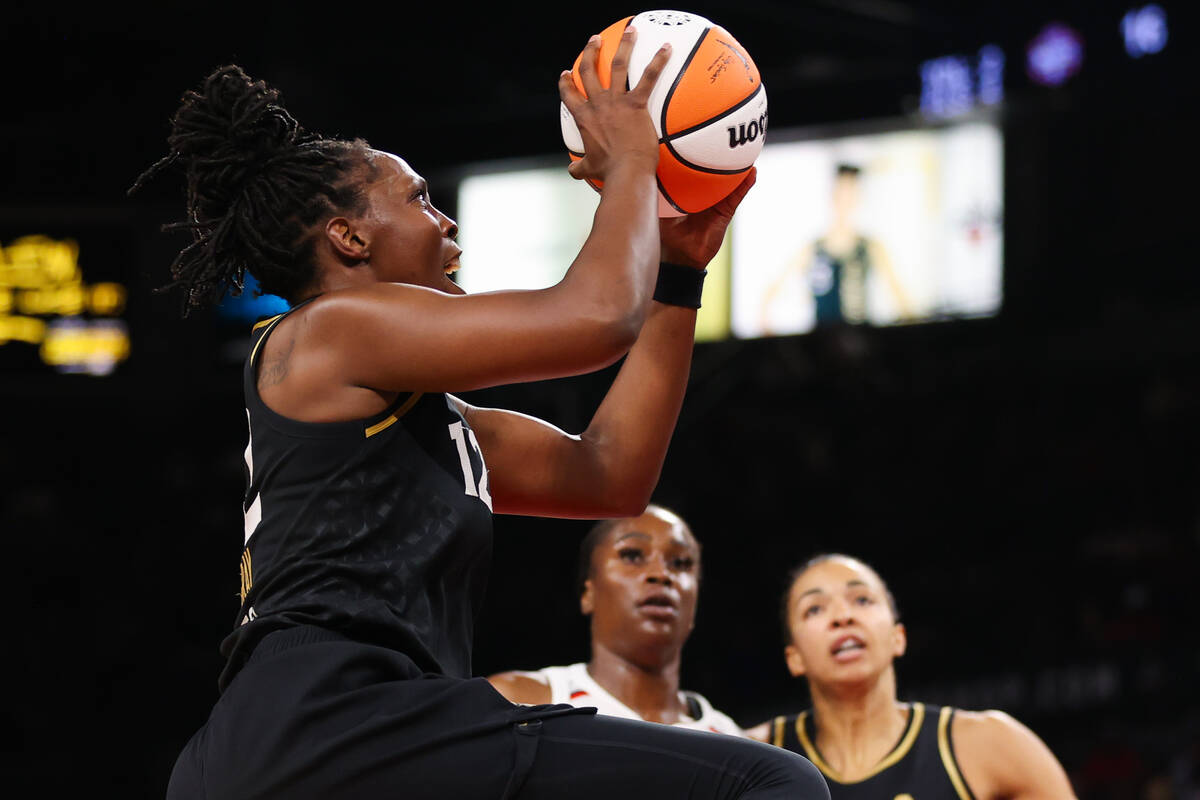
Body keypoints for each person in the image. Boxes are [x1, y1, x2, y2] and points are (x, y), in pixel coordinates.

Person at [132, 30, 828, 800]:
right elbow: (595, 317)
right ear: (349, 236)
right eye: (421, 200)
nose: (447, 224)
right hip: (333, 719)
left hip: (319, 746)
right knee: (767, 784)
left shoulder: (427, 419)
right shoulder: (329, 331)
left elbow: (610, 473)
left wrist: (681, 274)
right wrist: (634, 156)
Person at [747, 553, 1077, 799]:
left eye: (862, 599)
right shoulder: (751, 756)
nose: (842, 616)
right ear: (794, 658)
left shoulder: (990, 743)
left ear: (897, 637)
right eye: (815, 609)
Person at [488, 505, 743, 735]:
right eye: (632, 555)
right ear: (589, 593)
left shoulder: (733, 740)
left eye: (680, 562)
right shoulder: (519, 701)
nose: (661, 574)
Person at [759, 164, 912, 332]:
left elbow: (903, 303)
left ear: (858, 199)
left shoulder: (871, 247)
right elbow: (771, 294)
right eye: (841, 194)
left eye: (851, 195)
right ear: (832, 196)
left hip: (861, 345)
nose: (845, 202)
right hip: (820, 346)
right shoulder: (812, 249)